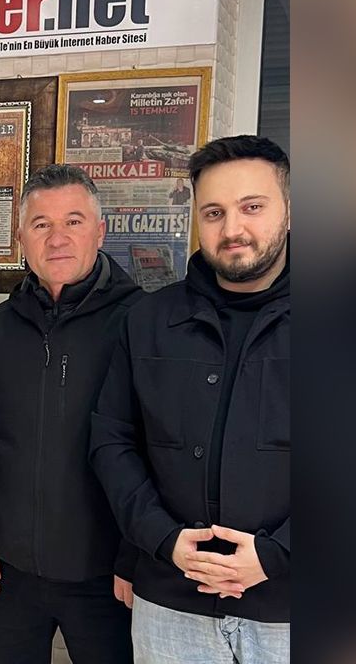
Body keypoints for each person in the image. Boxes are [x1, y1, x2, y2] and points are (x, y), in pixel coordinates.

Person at [90, 135, 291, 663]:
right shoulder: (149, 321)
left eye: (252, 207)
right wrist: (161, 538)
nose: (233, 229)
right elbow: (112, 442)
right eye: (214, 212)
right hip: (171, 605)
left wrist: (278, 554)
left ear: (290, 210)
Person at [0, 164, 145, 663]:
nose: (57, 239)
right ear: (21, 238)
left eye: (73, 222)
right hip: (9, 571)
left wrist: (136, 554)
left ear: (100, 231)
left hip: (107, 575)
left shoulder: (142, 324)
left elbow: (158, 449)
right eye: (41, 225)